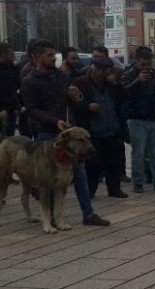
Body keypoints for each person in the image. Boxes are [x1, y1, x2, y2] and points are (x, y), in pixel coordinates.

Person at [19, 40, 110, 226]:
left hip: (69, 132)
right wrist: (55, 121)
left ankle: (88, 213)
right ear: (37, 57)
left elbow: (71, 99)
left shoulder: (59, 76)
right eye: (49, 55)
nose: (53, 59)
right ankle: (51, 216)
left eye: (54, 55)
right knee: (50, 177)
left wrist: (75, 96)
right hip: (48, 134)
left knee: (79, 174)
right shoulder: (30, 80)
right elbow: (32, 109)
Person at [70, 60, 128, 199]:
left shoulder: (110, 84)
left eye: (105, 71)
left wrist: (116, 84)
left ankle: (114, 188)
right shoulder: (81, 83)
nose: (102, 74)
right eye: (99, 70)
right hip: (93, 131)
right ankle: (90, 190)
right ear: (93, 68)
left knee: (113, 162)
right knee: (92, 164)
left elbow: (124, 98)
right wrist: (87, 107)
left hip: (112, 129)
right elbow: (74, 104)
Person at [120, 52, 155, 193]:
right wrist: (137, 81)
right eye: (142, 64)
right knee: (138, 152)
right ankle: (138, 181)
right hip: (137, 119)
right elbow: (123, 94)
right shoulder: (128, 75)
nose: (146, 67)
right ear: (136, 62)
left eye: (148, 64)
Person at [0, 42, 19, 136]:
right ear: (3, 55)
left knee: (9, 137)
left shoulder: (13, 68)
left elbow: (16, 88)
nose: (13, 56)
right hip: (4, 110)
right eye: (11, 54)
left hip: (11, 111)